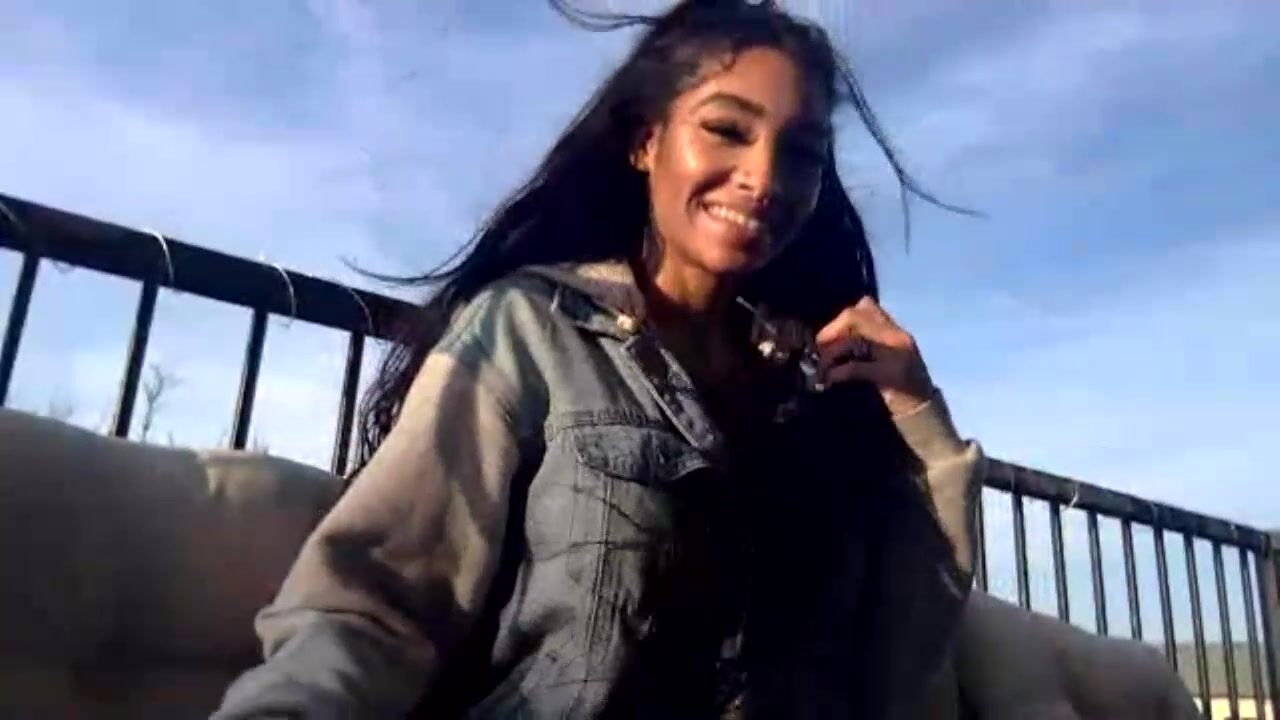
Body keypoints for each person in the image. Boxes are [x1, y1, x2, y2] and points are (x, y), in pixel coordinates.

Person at [214, 0, 985, 717]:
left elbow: (895, 672)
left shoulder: (810, 392)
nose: (764, 179)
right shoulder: (531, 329)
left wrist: (920, 421)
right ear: (647, 142)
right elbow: (374, 607)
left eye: (802, 154)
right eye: (727, 129)